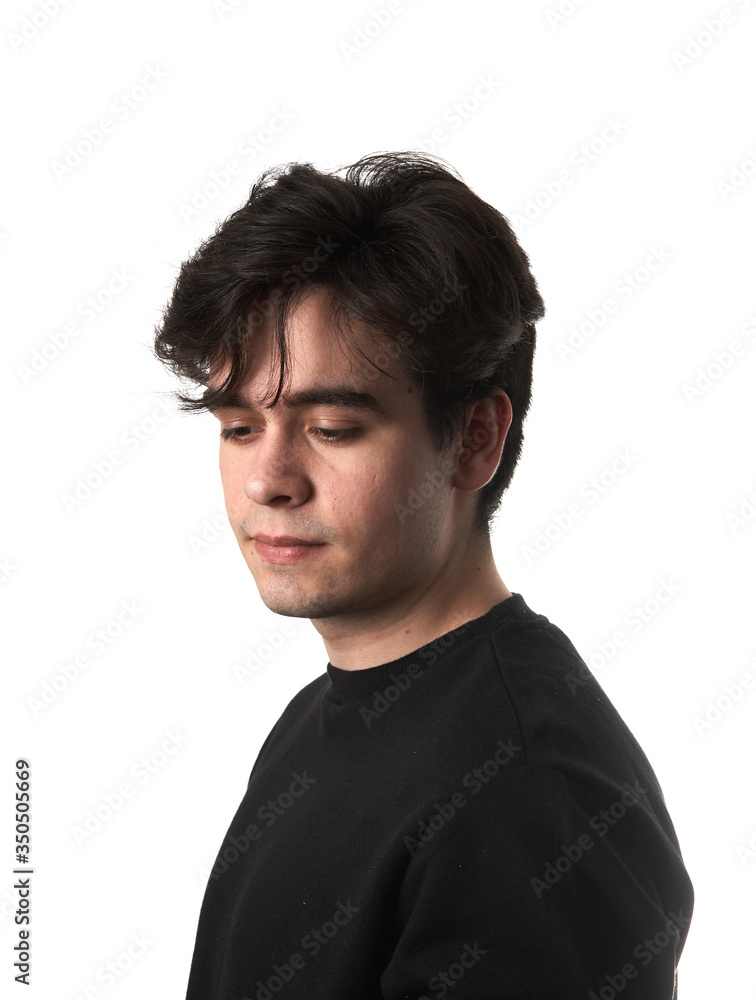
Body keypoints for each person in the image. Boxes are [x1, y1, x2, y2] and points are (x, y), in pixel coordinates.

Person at [153, 152, 694, 1000]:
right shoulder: (326, 714)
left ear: (475, 438)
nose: (269, 480)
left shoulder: (529, 793)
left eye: (331, 427)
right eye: (237, 427)